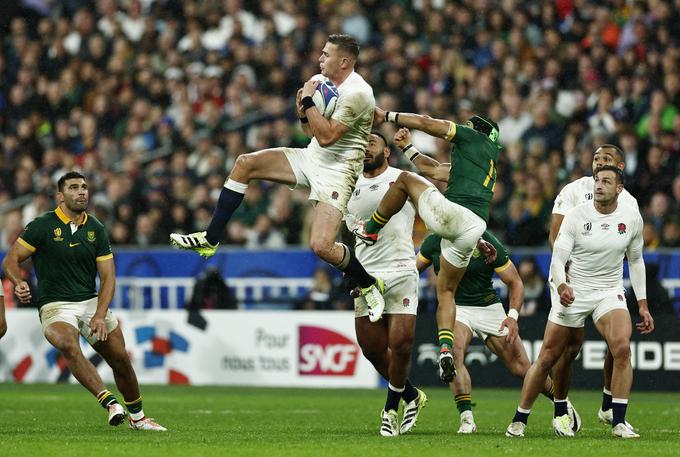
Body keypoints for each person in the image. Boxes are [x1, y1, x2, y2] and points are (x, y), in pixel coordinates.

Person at [170, 34, 387, 319]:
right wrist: (302, 114)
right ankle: (211, 239)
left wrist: (308, 101)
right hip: (312, 158)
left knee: (321, 246)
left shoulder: (359, 92)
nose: (320, 59)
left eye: (326, 54)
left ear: (344, 61)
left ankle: (370, 284)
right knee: (245, 163)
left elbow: (327, 136)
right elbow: (312, 134)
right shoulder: (321, 82)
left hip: (338, 172)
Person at [1, 172, 166, 431]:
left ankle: (138, 418)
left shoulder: (96, 229)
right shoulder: (41, 225)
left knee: (120, 359)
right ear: (60, 196)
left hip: (90, 303)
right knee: (68, 343)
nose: (82, 192)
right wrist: (18, 281)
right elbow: (10, 260)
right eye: (74, 187)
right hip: (55, 305)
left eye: (85, 187)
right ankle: (110, 402)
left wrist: (100, 314)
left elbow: (108, 277)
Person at [506, 166, 654, 439]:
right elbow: (558, 258)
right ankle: (519, 419)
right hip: (574, 289)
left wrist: (643, 304)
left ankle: (618, 421)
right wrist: (561, 284)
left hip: (609, 291)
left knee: (622, 347)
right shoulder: (576, 216)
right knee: (548, 357)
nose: (599, 185)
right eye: (597, 180)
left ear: (619, 188)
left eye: (606, 181)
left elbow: (635, 260)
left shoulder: (631, 218)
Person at [356, 121, 500, 384]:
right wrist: (408, 147)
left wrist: (390, 115)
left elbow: (429, 131)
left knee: (403, 181)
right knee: (446, 292)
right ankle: (445, 346)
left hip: (454, 218)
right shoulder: (478, 169)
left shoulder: (470, 154)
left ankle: (371, 228)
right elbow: (429, 168)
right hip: (470, 230)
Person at [417, 231, 576, 434]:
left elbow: (515, 282)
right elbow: (413, 270)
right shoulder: (433, 242)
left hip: (488, 307)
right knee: (453, 355)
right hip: (455, 307)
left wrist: (512, 316)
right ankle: (466, 419)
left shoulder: (488, 241)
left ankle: (562, 402)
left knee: (522, 369)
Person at [548, 144, 640, 430]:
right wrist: (568, 271)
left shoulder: (630, 204)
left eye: (607, 160)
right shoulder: (573, 191)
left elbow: (633, 254)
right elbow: (555, 237)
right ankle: (561, 407)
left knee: (618, 345)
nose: (599, 163)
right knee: (570, 347)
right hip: (571, 278)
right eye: (597, 158)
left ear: (620, 168)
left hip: (606, 285)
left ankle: (609, 405)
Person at [345, 132, 426, 437]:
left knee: (401, 344)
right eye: (362, 144)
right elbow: (346, 231)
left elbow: (432, 201)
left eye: (372, 144)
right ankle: (412, 396)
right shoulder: (349, 183)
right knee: (372, 348)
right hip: (366, 274)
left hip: (401, 269)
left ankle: (390, 410)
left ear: (387, 152)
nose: (366, 149)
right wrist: (348, 269)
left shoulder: (402, 179)